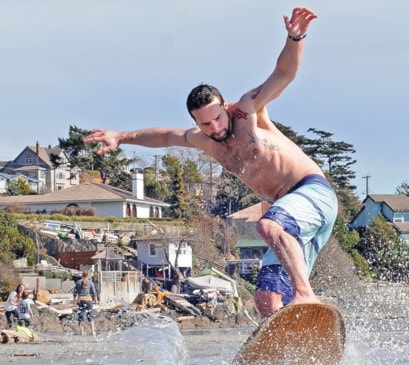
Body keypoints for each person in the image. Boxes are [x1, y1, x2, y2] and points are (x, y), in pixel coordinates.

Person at [84, 7, 338, 318]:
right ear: (196, 122)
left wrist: (295, 36)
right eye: (205, 124)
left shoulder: (247, 110)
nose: (215, 128)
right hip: (289, 218)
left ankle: (305, 295)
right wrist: (121, 136)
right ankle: (293, 353)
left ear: (225, 107)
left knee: (267, 223)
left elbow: (283, 74)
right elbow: (164, 136)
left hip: (312, 194)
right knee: (266, 299)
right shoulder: (202, 139)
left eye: (217, 118)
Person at [73, 271, 98, 336]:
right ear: (88, 275)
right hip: (88, 300)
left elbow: (75, 292)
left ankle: (82, 333)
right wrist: (96, 300)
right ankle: (93, 332)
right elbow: (94, 292)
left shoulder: (78, 282)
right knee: (90, 316)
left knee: (81, 317)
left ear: (82, 275)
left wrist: (74, 301)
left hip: (80, 300)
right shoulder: (90, 282)